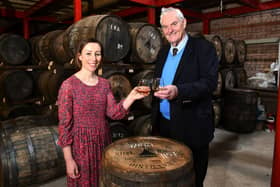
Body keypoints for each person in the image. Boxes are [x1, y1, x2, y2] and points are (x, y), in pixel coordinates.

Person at [57, 38, 148, 187]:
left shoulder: (104, 84)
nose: (94, 59)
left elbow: (114, 113)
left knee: (103, 182)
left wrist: (132, 96)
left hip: (103, 142)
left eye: (97, 54)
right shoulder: (68, 85)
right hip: (81, 147)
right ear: (79, 56)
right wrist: (68, 160)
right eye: (89, 53)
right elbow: (64, 125)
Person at [151, 7, 219, 187]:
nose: (170, 30)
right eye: (165, 27)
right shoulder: (163, 52)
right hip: (165, 124)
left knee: (193, 177)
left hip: (192, 125)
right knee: (169, 175)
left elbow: (209, 83)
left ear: (184, 23)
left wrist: (178, 91)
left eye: (174, 24)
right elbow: (157, 80)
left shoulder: (203, 48)